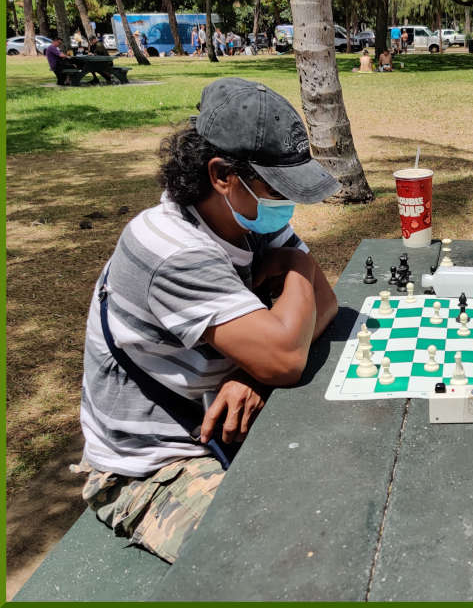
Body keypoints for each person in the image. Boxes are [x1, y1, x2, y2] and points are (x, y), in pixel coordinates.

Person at [72, 77, 341, 563]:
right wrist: (300, 268)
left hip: (220, 424)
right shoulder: (171, 249)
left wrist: (248, 370)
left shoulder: (241, 218)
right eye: (278, 188)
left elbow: (324, 307)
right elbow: (286, 358)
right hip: (153, 466)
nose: (289, 204)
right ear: (221, 175)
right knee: (274, 559)